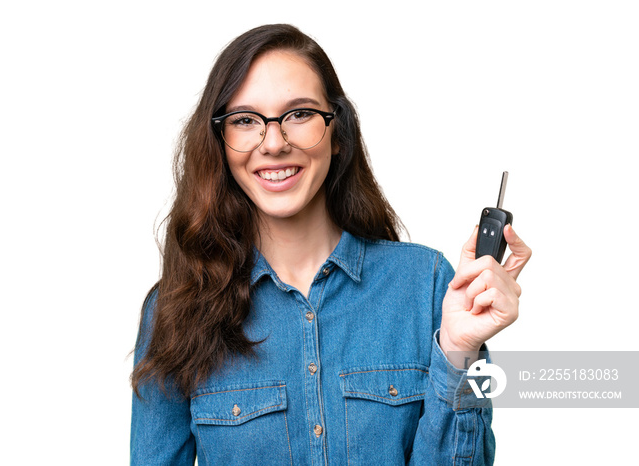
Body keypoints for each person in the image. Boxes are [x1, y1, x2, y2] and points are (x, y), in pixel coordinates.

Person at [130, 24, 531, 465]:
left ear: (338, 134)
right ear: (221, 144)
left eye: (299, 114)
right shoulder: (174, 310)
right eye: (245, 120)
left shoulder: (429, 284)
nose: (274, 143)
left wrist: (461, 351)